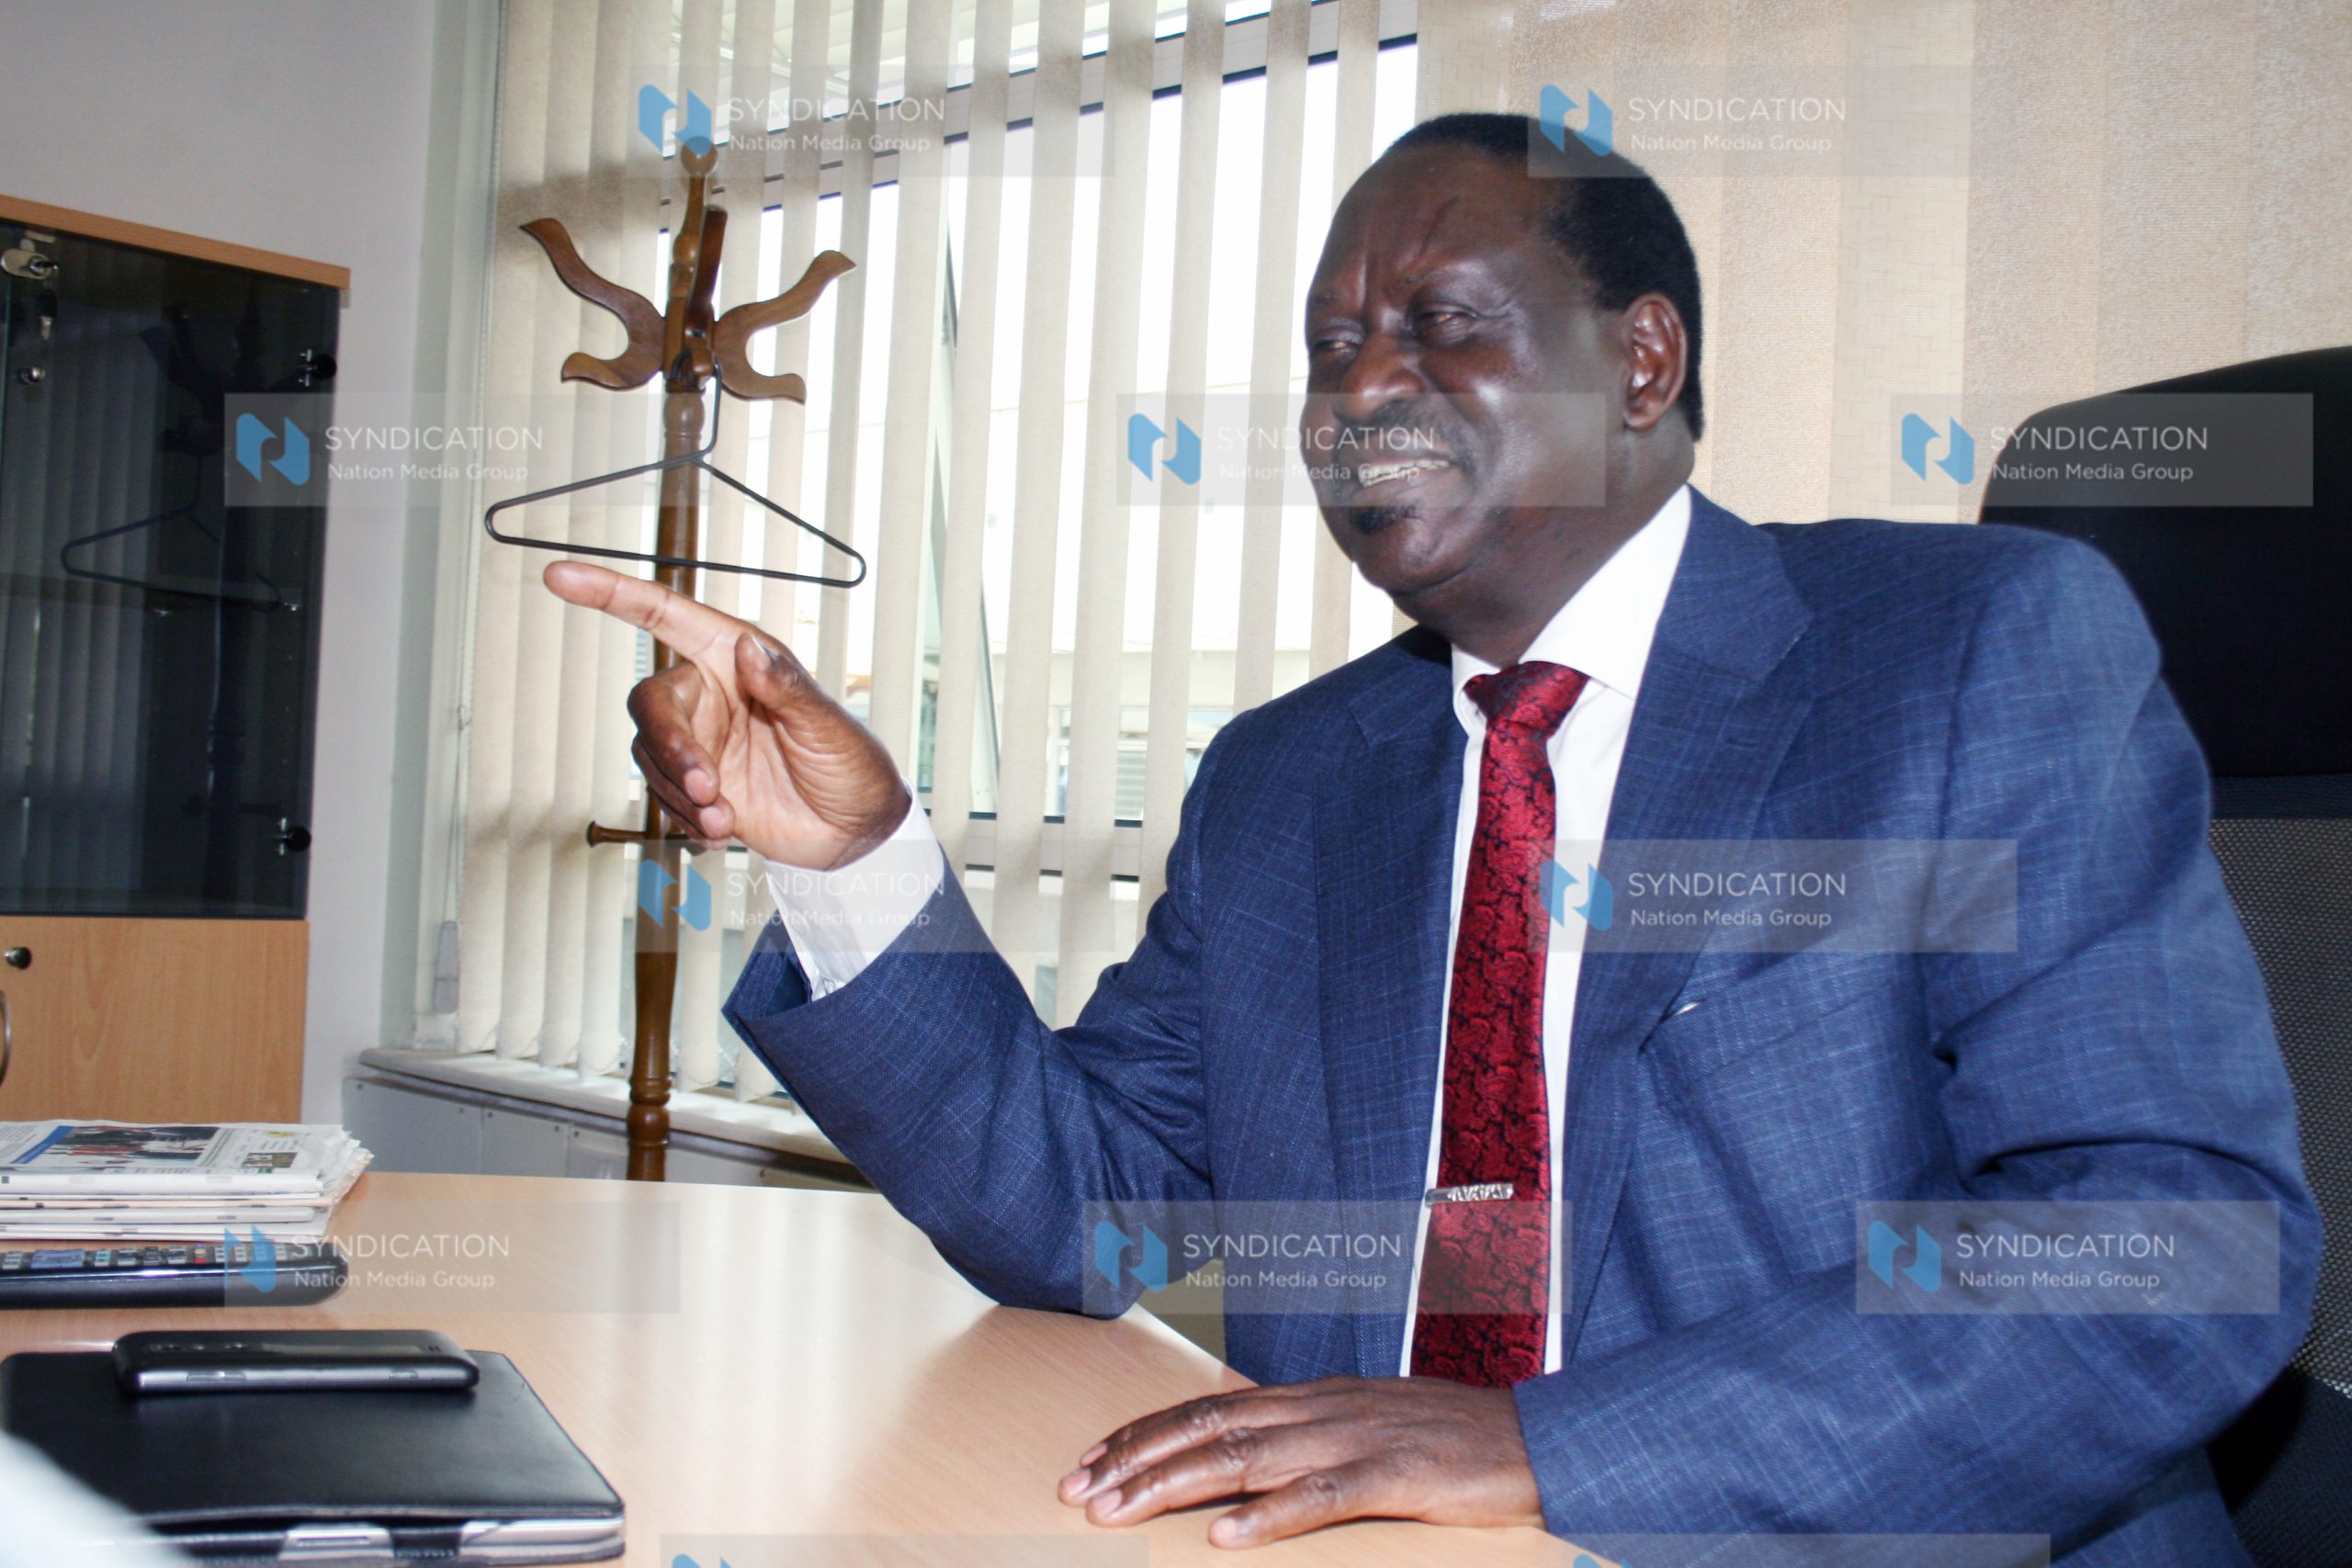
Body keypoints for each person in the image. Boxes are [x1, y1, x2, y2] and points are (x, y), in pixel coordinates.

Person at [546, 114, 2316, 1560]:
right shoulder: (1291, 782)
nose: (1356, 391)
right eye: (1330, 349)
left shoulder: (1960, 655)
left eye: (1444, 321)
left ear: (1641, 361)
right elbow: (1090, 1221)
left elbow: (2172, 1244)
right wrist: (852, 861)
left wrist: (1551, 1447)